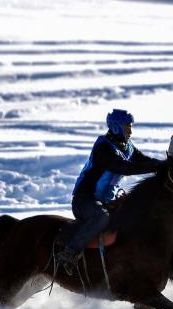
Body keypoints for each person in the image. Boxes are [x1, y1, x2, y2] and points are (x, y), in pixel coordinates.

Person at [55, 109, 162, 273]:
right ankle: (69, 253)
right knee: (101, 218)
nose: (130, 131)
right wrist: (156, 166)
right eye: (127, 127)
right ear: (116, 127)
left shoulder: (127, 146)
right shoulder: (103, 148)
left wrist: (163, 166)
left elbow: (143, 161)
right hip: (85, 200)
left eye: (130, 126)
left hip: (106, 200)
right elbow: (123, 167)